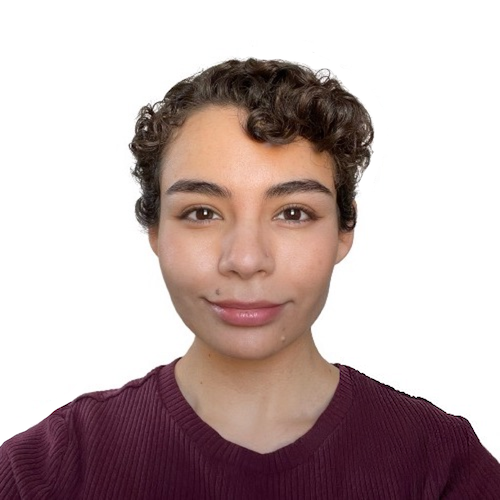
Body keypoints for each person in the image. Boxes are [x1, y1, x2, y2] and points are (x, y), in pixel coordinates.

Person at [1, 58, 499, 499]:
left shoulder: (441, 466)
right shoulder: (45, 472)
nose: (245, 258)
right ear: (154, 230)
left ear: (344, 231)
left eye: (294, 213)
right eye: (201, 212)